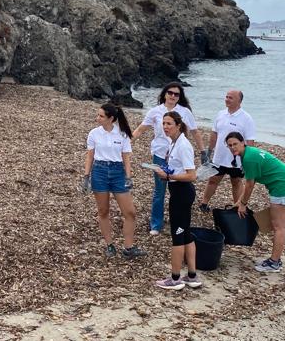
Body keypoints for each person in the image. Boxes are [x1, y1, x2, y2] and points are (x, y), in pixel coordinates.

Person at [132, 82, 204, 236]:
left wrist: (203, 151)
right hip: (160, 154)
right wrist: (126, 144)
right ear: (164, 94)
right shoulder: (155, 111)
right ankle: (156, 223)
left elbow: (195, 132)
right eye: (170, 93)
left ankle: (178, 221)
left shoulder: (185, 112)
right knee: (159, 190)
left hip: (177, 156)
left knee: (177, 187)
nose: (172, 96)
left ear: (180, 97)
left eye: (176, 94)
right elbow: (141, 129)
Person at [224, 131, 285, 273]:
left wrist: (243, 204)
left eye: (235, 144)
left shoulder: (249, 159)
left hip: (284, 187)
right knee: (277, 223)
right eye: (229, 145)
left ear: (243, 143)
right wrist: (239, 202)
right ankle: (275, 259)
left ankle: (274, 263)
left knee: (278, 226)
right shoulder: (249, 153)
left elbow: (250, 184)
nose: (233, 147)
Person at [83, 103, 147, 259]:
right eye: (98, 115)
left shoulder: (123, 134)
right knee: (103, 211)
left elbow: (126, 158)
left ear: (111, 118)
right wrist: (86, 177)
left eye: (101, 116)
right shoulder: (93, 134)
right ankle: (109, 245)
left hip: (118, 173)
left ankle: (128, 247)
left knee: (130, 212)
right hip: (99, 172)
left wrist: (128, 176)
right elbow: (90, 156)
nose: (97, 118)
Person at [153, 112, 202, 290]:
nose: (165, 127)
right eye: (164, 123)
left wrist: (168, 175)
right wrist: (167, 173)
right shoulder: (173, 143)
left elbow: (192, 175)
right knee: (186, 234)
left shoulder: (183, 145)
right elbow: (177, 169)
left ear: (179, 125)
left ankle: (175, 278)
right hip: (177, 190)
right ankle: (192, 275)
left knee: (178, 235)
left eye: (169, 124)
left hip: (182, 193)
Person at [199, 89, 256, 212]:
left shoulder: (246, 118)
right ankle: (204, 203)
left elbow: (250, 141)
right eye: (226, 97)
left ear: (239, 101)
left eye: (230, 97)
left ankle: (237, 206)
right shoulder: (221, 114)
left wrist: (248, 160)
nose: (227, 99)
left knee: (236, 182)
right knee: (213, 180)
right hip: (219, 157)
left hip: (237, 159)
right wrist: (209, 151)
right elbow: (214, 134)